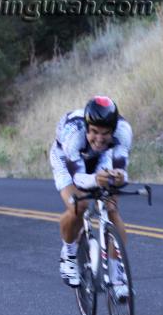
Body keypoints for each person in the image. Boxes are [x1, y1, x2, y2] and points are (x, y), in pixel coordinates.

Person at [49, 96, 133, 298]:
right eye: (94, 131)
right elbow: (78, 178)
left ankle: (117, 274)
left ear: (113, 130)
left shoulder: (123, 132)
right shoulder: (73, 133)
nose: (99, 138)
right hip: (67, 160)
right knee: (79, 206)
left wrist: (119, 177)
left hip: (101, 159)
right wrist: (96, 179)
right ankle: (69, 253)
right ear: (86, 127)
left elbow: (121, 169)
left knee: (112, 208)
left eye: (105, 133)